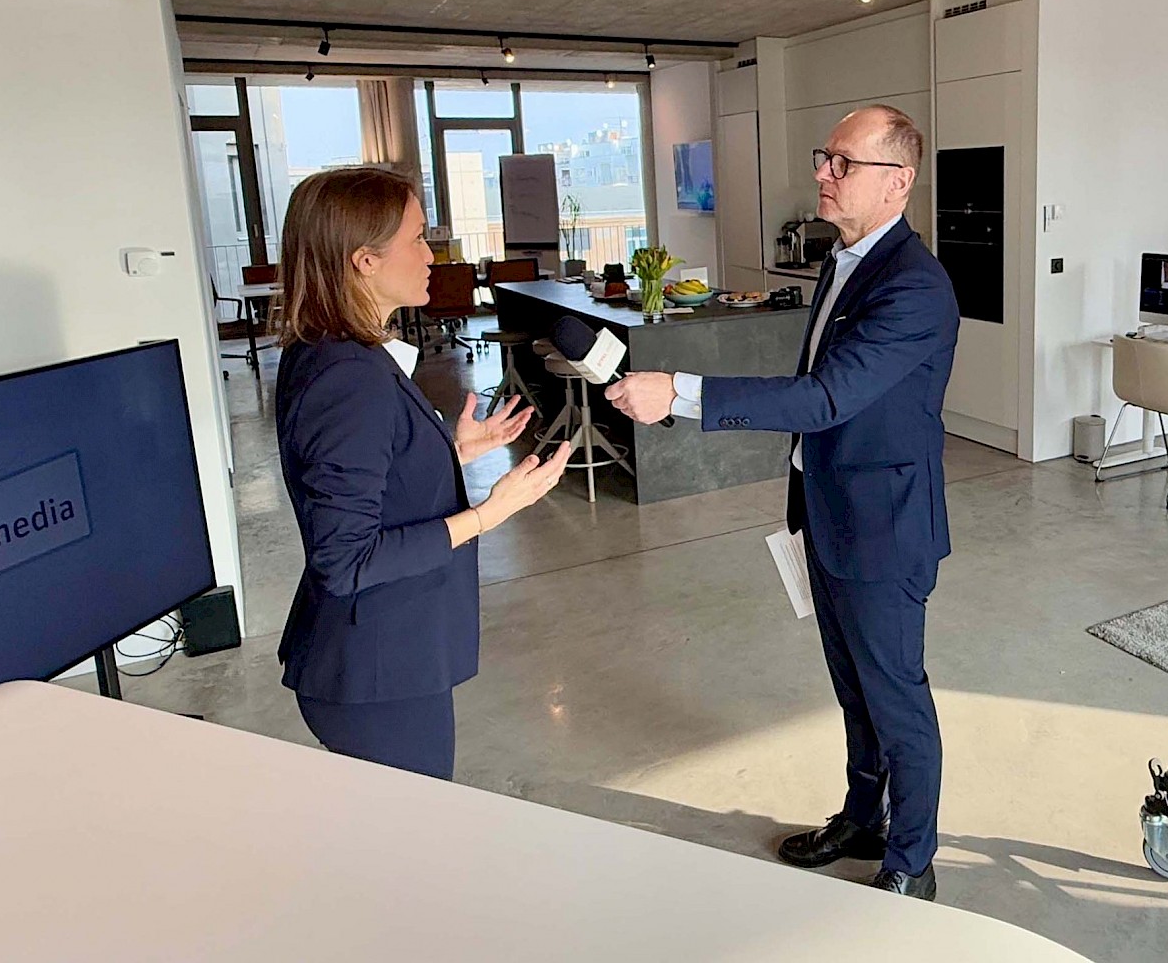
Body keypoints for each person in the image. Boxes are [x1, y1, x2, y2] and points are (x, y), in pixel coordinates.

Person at [606, 106, 959, 899]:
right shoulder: (844, 262)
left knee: (896, 697)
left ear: (898, 182)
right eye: (824, 158)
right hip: (827, 514)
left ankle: (911, 862)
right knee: (854, 688)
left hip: (883, 529)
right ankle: (862, 817)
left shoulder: (915, 288)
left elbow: (826, 396)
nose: (822, 175)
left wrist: (681, 393)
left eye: (843, 163)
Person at [274, 167, 572, 780]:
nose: (431, 256)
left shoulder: (340, 355)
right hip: (377, 669)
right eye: (416, 239)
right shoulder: (346, 379)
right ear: (364, 260)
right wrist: (491, 513)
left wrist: (450, 452)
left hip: (389, 656)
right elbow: (348, 559)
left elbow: (373, 479)